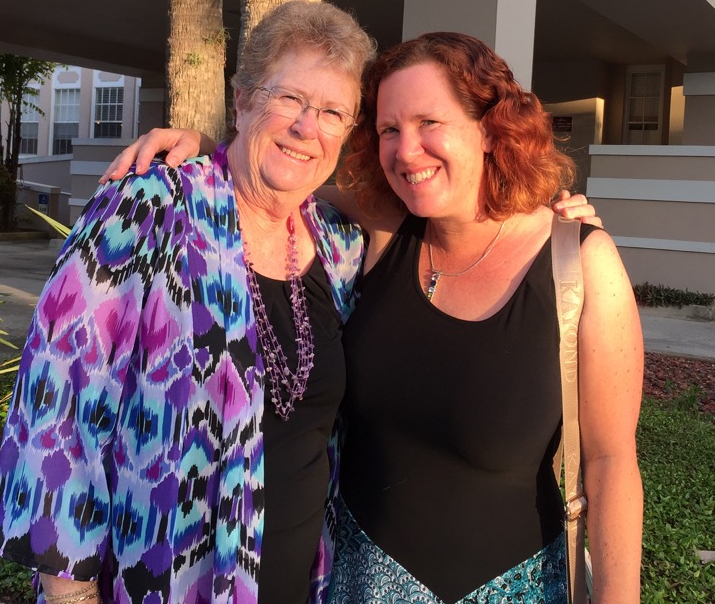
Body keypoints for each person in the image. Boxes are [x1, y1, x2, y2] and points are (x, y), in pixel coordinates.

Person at [102, 34, 639, 603]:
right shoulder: (383, 230)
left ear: (488, 128)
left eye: (429, 122)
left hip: (515, 588)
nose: (407, 151)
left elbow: (610, 464)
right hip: (352, 584)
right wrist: (209, 146)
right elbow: (274, 183)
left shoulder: (577, 264)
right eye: (389, 130)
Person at [0, 0, 377, 604]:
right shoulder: (147, 211)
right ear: (243, 100)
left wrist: (555, 223)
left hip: (303, 584)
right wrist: (71, 594)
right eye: (290, 99)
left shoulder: (339, 246)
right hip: (160, 583)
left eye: (332, 112)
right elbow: (57, 407)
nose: (307, 127)